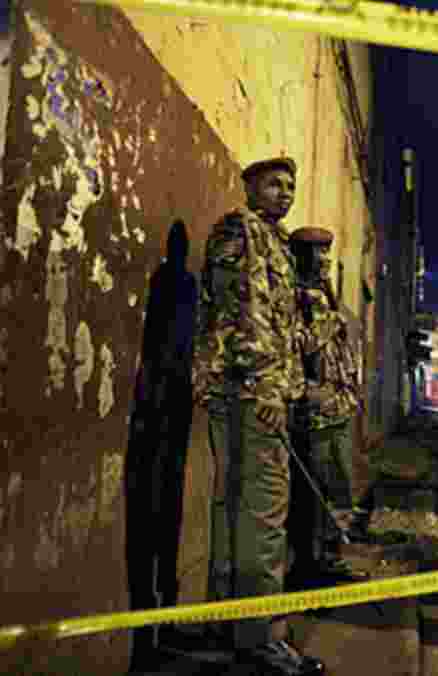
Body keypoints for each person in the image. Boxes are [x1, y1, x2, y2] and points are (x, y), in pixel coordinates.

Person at [191, 157, 324, 676]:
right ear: (249, 187)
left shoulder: (274, 241)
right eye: (274, 183)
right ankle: (259, 638)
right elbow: (246, 316)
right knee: (264, 516)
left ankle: (226, 624)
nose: (285, 192)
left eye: (291, 185)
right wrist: (271, 389)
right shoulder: (240, 232)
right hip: (252, 393)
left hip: (248, 391)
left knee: (236, 510)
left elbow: (280, 325)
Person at [125, 220, 197, 670]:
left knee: (160, 520)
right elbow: (169, 347)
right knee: (156, 520)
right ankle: (152, 631)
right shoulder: (177, 284)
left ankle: (158, 626)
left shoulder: (177, 283)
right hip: (162, 412)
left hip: (165, 412)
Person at [285, 226, 366, 589]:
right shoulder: (293, 296)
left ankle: (330, 555)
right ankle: (308, 562)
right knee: (311, 493)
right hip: (312, 411)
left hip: (339, 407)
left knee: (339, 487)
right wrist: (330, 320)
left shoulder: (324, 295)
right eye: (316, 254)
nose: (324, 261)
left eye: (326, 254)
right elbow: (296, 346)